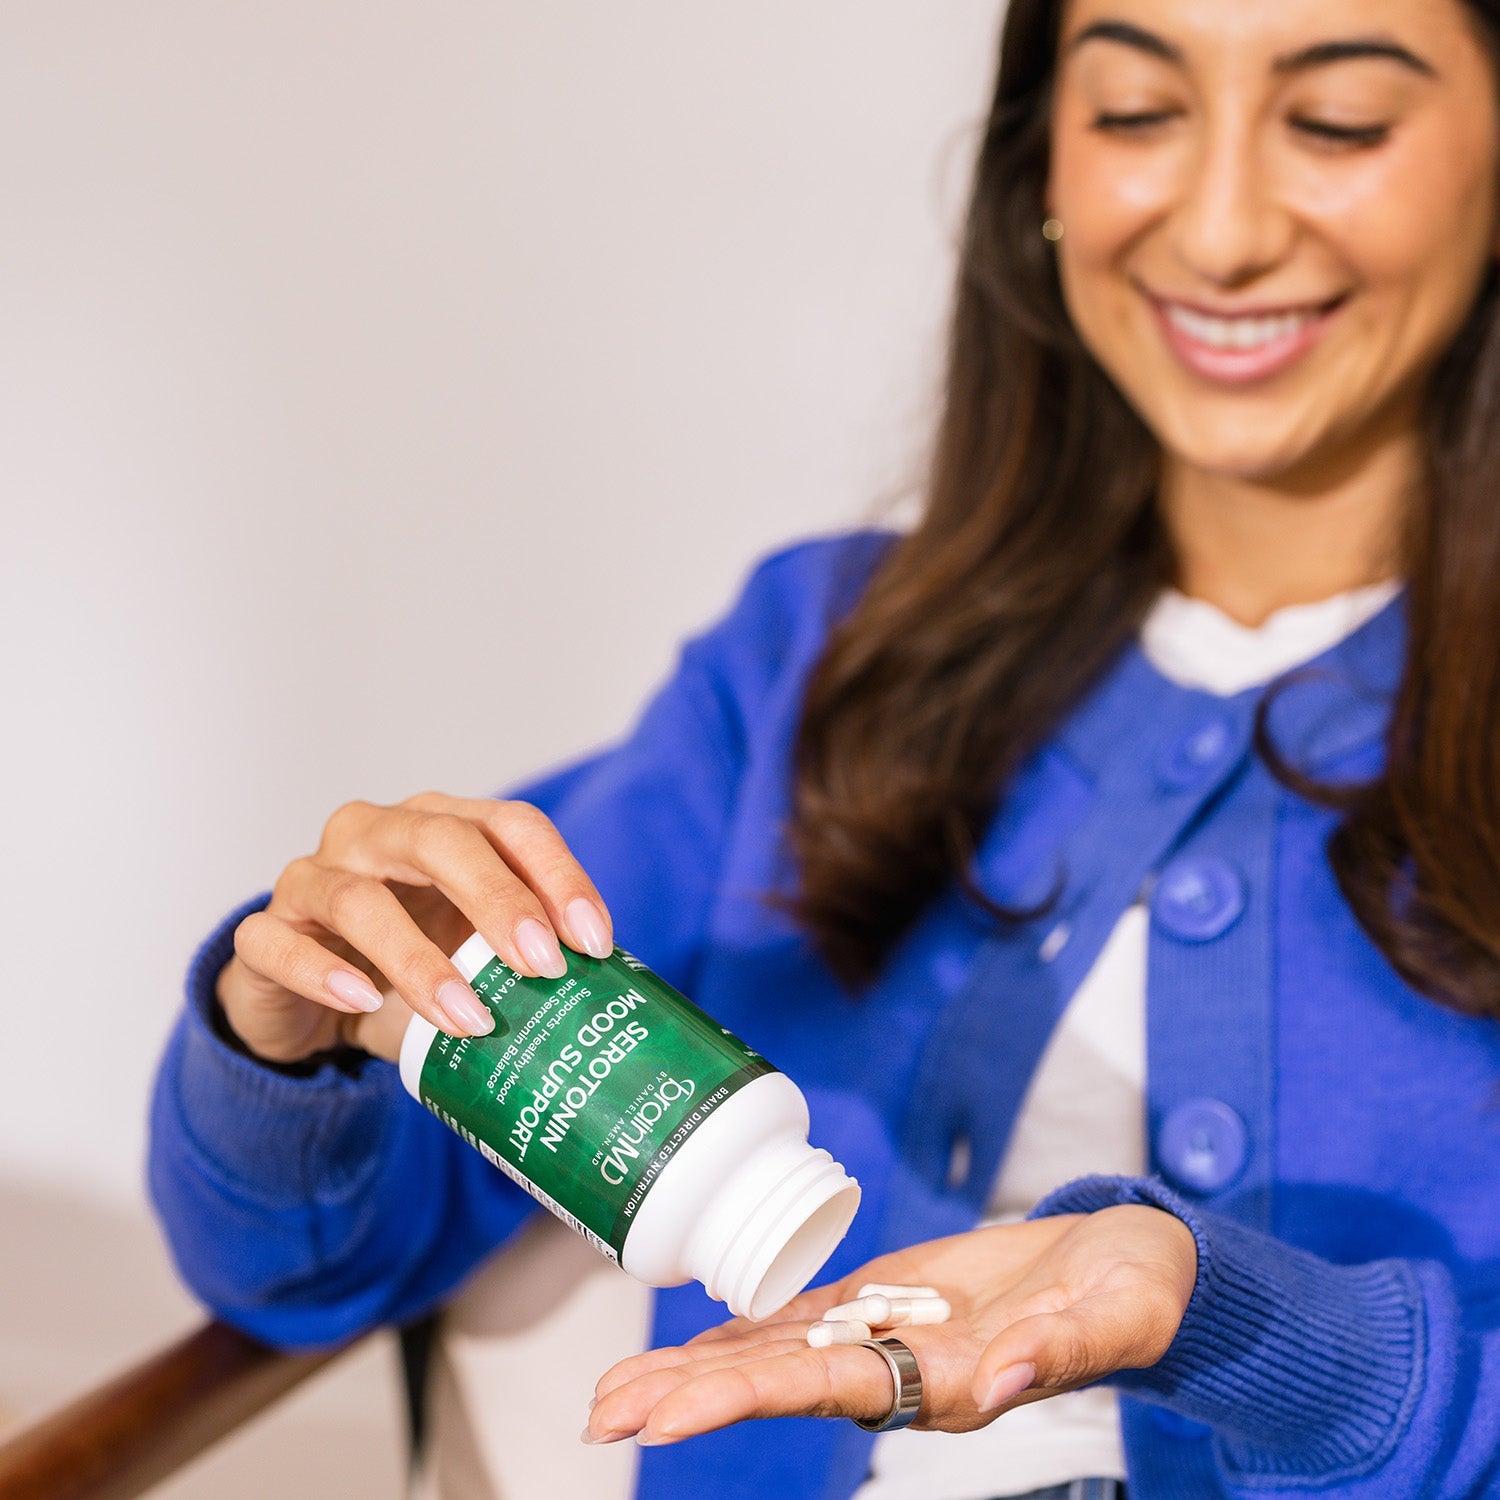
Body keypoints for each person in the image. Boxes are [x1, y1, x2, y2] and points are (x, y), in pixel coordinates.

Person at [149, 0, 1500, 1495]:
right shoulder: (820, 662)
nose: (1226, 226)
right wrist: (289, 1041)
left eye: (1339, 124)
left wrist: (1259, 1336)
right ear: (1039, 164)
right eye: (1134, 113)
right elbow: (300, 1267)